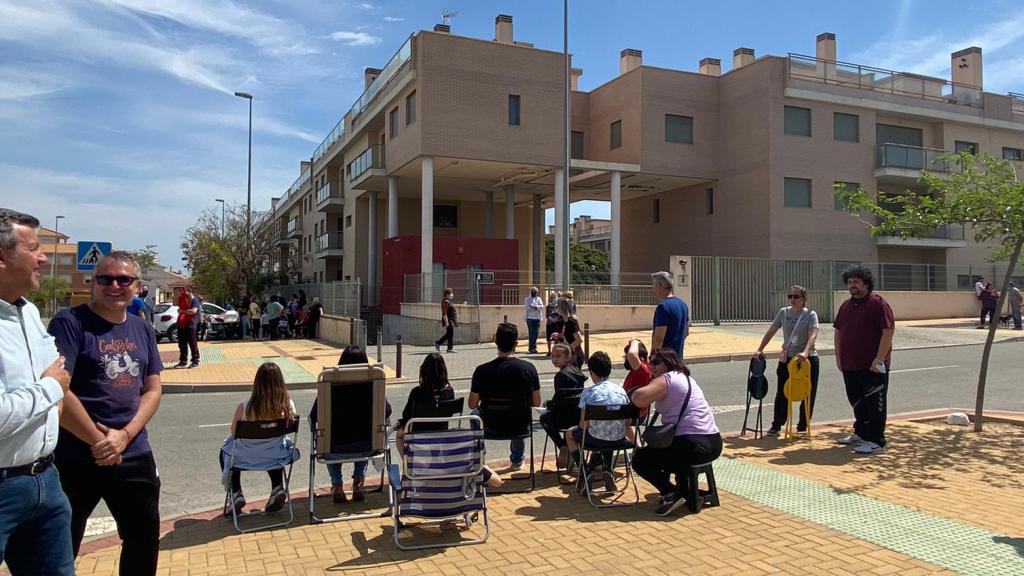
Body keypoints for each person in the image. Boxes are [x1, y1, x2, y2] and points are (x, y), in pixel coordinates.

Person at [48, 251, 164, 575]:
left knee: (143, 541)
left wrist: (124, 437)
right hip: (76, 455)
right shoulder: (69, 323)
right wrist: (100, 441)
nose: (114, 285)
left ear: (137, 287)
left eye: (123, 279)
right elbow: (59, 387)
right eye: (105, 279)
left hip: (133, 453)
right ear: (93, 283)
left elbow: (153, 390)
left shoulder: (142, 329)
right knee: (59, 546)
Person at [0, 208, 75, 576]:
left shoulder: (27, 311)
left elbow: (61, 375)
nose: (44, 258)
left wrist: (53, 392)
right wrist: (49, 389)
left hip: (45, 480)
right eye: (33, 249)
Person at [631, 348, 721, 517]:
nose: (652, 366)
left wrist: (638, 390)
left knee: (640, 459)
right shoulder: (686, 378)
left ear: (669, 362)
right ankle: (687, 492)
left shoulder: (668, 379)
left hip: (693, 445)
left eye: (656, 362)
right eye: (651, 363)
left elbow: (638, 398)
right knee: (671, 451)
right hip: (713, 443)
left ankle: (672, 493)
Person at [220, 363, 297, 517]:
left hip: (244, 457)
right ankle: (277, 487)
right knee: (274, 446)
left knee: (226, 450)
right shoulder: (287, 406)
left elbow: (234, 433)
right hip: (275, 456)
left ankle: (236, 492)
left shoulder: (244, 407)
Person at [833, 266, 895, 455]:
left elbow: (888, 331)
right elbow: (838, 331)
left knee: (874, 404)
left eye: (857, 282)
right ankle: (860, 433)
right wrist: (838, 357)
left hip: (872, 367)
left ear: (866, 284)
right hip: (850, 364)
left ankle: (877, 441)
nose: (853, 286)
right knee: (857, 401)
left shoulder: (878, 304)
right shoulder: (846, 305)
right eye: (850, 282)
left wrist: (879, 360)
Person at [308, 345, 380, 503]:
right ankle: (359, 481)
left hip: (332, 448)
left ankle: (337, 484)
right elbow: (386, 411)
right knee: (364, 433)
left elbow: (313, 416)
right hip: (367, 447)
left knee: (327, 435)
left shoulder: (329, 384)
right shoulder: (374, 384)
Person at [469, 323, 541, 470]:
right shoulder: (529, 369)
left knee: (473, 415)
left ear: (495, 341)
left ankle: (481, 458)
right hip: (518, 426)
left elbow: (472, 404)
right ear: (516, 344)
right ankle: (517, 460)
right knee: (522, 411)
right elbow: (536, 402)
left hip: (490, 425)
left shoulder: (481, 371)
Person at [754, 285, 820, 436]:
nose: (792, 300)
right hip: (787, 357)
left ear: (803, 299)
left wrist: (806, 351)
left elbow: (813, 334)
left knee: (807, 391)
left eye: (796, 297)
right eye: (790, 296)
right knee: (782, 391)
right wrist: (760, 348)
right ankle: (777, 424)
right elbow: (772, 330)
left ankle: (803, 426)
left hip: (806, 359)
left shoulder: (810, 314)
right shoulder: (784, 312)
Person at [565, 351, 632, 494]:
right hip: (618, 440)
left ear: (592, 372)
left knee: (570, 434)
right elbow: (628, 422)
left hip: (596, 439)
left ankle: (584, 471)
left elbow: (584, 425)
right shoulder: (621, 391)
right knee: (609, 430)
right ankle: (607, 469)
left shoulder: (589, 392)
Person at [538, 343, 588, 468]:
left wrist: (548, 404)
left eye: (558, 356)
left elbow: (559, 401)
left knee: (544, 419)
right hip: (578, 416)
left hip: (564, 417)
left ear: (568, 357)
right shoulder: (578, 372)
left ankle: (563, 445)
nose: (554, 359)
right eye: (553, 356)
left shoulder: (560, 376)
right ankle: (567, 446)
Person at [651, 271, 689, 359]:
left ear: (659, 286)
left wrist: (652, 359)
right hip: (678, 358)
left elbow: (658, 340)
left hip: (665, 361)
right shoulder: (683, 304)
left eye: (654, 285)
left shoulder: (663, 307)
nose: (653, 289)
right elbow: (686, 332)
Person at [623, 338, 654, 420]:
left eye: (627, 357)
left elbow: (632, 354)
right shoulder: (637, 370)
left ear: (641, 358)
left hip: (634, 413)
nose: (626, 359)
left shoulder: (644, 370)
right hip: (629, 409)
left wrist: (635, 341)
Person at [174, 286, 200, 368]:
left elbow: (193, 311)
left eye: (185, 292)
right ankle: (183, 361)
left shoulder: (194, 301)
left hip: (190, 324)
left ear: (189, 292)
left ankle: (195, 361)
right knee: (182, 344)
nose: (184, 294)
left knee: (192, 344)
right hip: (182, 324)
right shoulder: (185, 300)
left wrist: (182, 311)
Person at [558, 298, 586, 369]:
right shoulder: (566, 321)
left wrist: (568, 349)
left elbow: (579, 339)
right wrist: (559, 336)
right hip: (571, 356)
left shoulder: (571, 321)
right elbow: (569, 337)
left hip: (575, 356)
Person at [434, 287, 457, 353]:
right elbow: (444, 313)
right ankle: (448, 348)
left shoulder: (448, 301)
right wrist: (446, 322)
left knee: (449, 334)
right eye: (450, 293)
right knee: (450, 334)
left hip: (450, 320)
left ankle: (438, 343)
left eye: (452, 293)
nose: (452, 294)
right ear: (447, 294)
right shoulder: (446, 302)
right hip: (448, 320)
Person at [523, 287, 544, 354]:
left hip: (537, 318)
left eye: (535, 292)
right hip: (530, 318)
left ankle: (532, 347)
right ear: (531, 292)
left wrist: (535, 307)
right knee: (531, 333)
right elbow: (527, 308)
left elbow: (541, 307)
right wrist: (533, 307)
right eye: (533, 291)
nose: (534, 293)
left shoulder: (539, 299)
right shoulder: (527, 299)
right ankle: (532, 347)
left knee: (536, 333)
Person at [544, 291, 563, 357]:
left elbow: (561, 315)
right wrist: (551, 319)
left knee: (556, 338)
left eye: (555, 297)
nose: (554, 299)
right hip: (549, 324)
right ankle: (549, 351)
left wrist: (556, 319)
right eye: (552, 298)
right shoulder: (548, 307)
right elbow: (547, 315)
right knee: (549, 337)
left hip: (557, 324)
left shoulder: (558, 306)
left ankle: (555, 351)